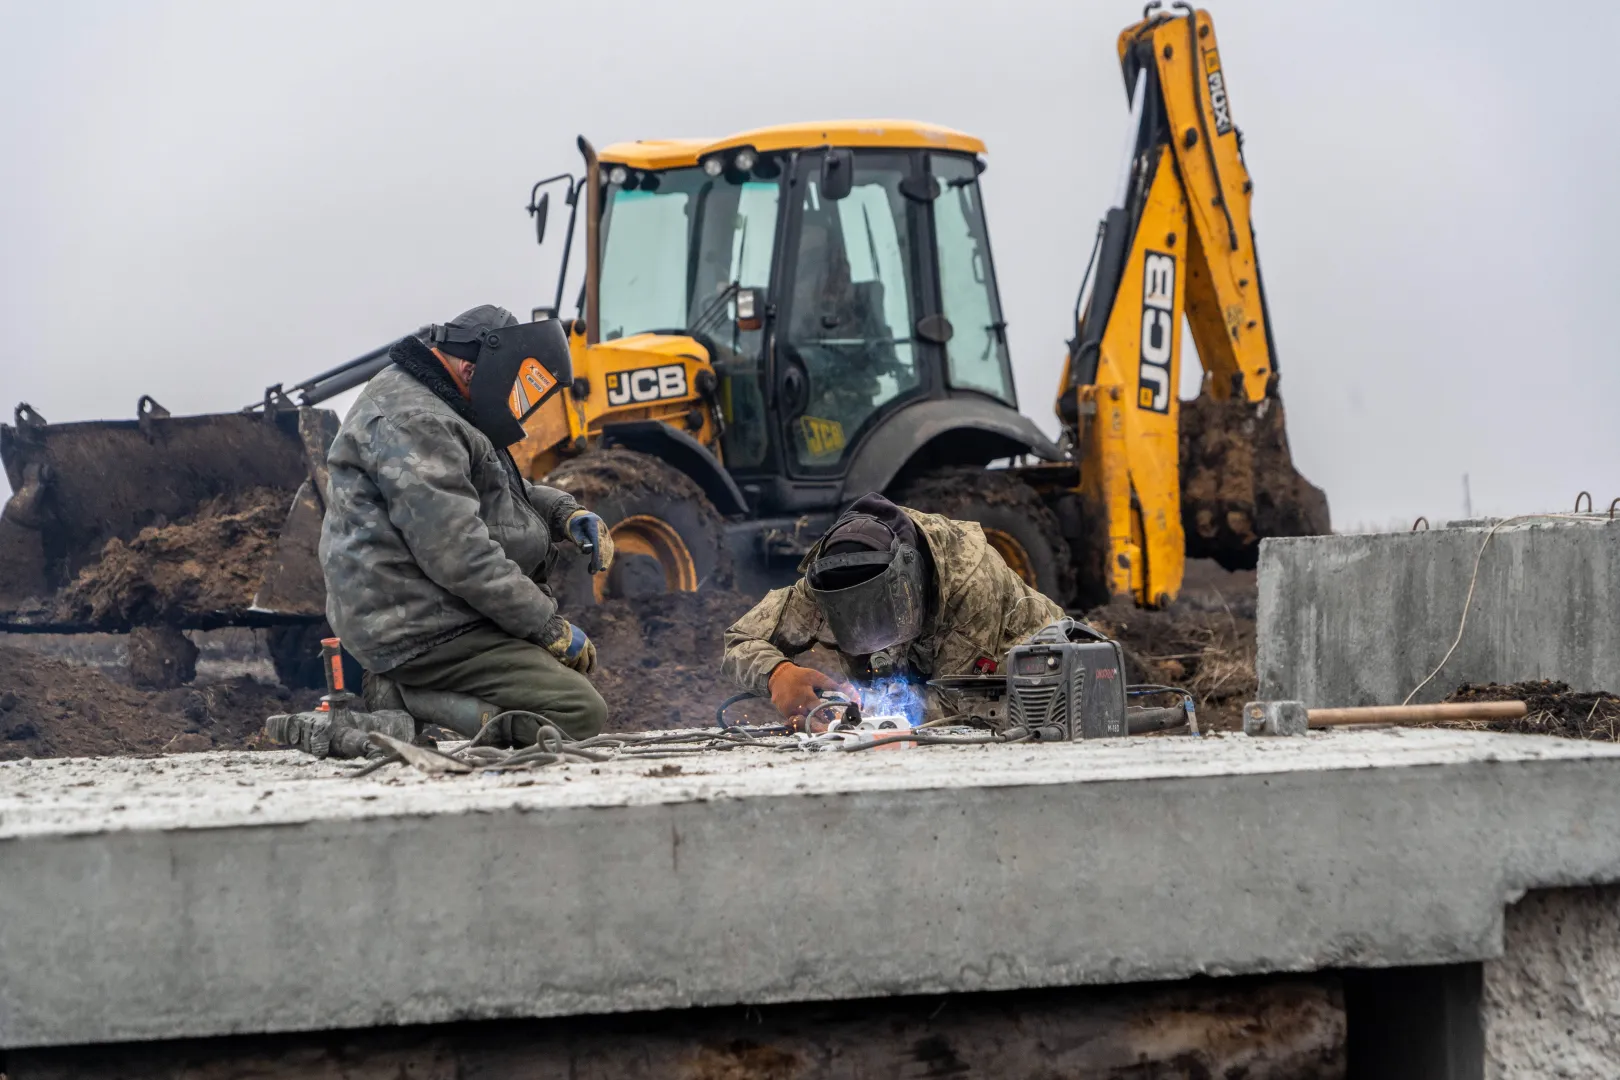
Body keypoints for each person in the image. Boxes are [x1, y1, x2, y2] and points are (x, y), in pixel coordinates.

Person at [319, 305, 612, 742]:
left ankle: (428, 694)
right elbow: (459, 552)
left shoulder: (442, 403)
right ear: (473, 368)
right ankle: (404, 695)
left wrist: (563, 513)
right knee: (577, 711)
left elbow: (489, 491)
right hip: (418, 627)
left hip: (434, 610)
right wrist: (546, 625)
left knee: (566, 696)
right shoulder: (419, 421)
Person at [721, 492, 1064, 725]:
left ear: (908, 581)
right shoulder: (828, 582)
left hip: (1039, 691)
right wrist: (778, 674)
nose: (871, 638)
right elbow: (739, 641)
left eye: (878, 617)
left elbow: (958, 709)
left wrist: (853, 715)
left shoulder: (970, 581)